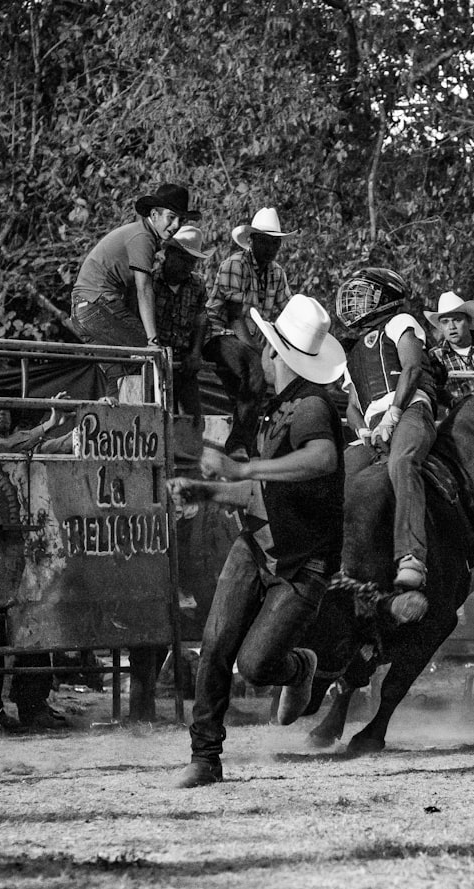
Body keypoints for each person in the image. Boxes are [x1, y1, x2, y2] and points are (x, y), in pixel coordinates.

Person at [169, 294, 346, 788]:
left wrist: (243, 466)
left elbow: (323, 459)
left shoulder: (309, 407)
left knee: (254, 663)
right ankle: (205, 756)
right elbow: (259, 490)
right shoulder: (279, 410)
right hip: (259, 546)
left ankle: (301, 666)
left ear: (275, 354)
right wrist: (207, 491)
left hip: (300, 562)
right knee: (216, 645)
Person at [335, 268, 445, 607]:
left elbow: (411, 368)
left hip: (411, 408)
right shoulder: (350, 352)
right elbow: (353, 404)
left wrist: (395, 413)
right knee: (338, 471)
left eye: (364, 295)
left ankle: (411, 555)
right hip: (374, 427)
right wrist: (364, 430)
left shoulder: (400, 323)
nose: (354, 303)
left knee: (403, 460)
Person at [70, 183, 202, 393]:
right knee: (156, 356)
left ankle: (116, 421)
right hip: (96, 306)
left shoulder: (142, 236)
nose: (176, 225)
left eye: (181, 219)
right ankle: (157, 420)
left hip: (84, 312)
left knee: (118, 373)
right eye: (171, 217)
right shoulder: (143, 237)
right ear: (154, 214)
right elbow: (143, 289)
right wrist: (151, 340)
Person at [202, 207, 296, 459]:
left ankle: (254, 445)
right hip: (218, 334)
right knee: (256, 368)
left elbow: (288, 311)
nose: (270, 249)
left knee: (261, 381)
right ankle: (238, 444)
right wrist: (260, 351)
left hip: (249, 339)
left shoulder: (277, 273)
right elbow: (234, 318)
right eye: (264, 242)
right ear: (252, 241)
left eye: (274, 243)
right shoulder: (235, 264)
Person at [153, 225, 214, 425]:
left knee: (194, 418)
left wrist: (196, 352)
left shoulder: (197, 285)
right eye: (183, 259)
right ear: (169, 254)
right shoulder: (150, 282)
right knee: (157, 416)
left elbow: (201, 319)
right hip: (155, 361)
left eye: (192, 261)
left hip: (183, 362)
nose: (187, 266)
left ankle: (191, 453)